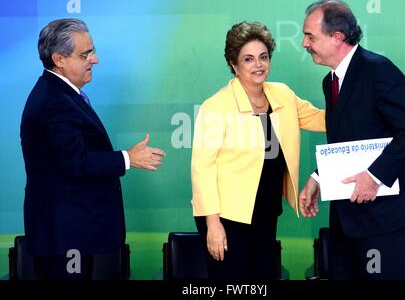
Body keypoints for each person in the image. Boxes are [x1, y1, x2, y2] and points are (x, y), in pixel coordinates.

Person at [299, 0, 405, 280]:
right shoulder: (331, 82)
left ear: (337, 37)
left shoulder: (378, 70)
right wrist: (318, 177)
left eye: (310, 36)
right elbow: (348, 141)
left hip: (388, 218)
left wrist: (374, 176)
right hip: (348, 218)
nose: (304, 43)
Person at [20, 18, 166, 280]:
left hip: (71, 232)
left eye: (92, 52)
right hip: (66, 234)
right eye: (85, 54)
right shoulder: (55, 102)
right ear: (59, 59)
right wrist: (128, 159)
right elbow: (74, 162)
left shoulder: (60, 94)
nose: (95, 59)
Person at [191, 21, 325, 279]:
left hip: (266, 210)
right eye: (249, 59)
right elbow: (202, 169)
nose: (258, 65)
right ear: (234, 65)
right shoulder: (216, 106)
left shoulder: (282, 95)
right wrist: (213, 224)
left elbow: (322, 119)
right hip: (227, 217)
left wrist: (360, 108)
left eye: (263, 57)